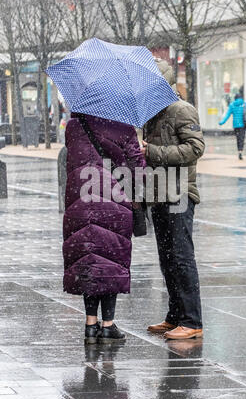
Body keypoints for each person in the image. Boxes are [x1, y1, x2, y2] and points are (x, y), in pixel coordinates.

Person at [63, 113, 145, 344]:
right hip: (113, 199)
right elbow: (136, 168)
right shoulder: (122, 125)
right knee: (110, 260)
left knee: (87, 259)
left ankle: (90, 324)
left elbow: (73, 158)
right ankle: (108, 325)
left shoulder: (73, 126)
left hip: (78, 198)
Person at [142, 59, 205, 341]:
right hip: (159, 195)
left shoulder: (182, 110)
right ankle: (175, 315)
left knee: (181, 257)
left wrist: (153, 151)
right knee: (166, 259)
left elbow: (194, 148)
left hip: (179, 194)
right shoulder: (151, 114)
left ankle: (192, 320)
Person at [219, 93, 246, 160]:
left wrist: (222, 122)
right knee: (242, 138)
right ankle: (241, 151)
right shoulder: (244, 104)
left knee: (238, 138)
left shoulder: (232, 105)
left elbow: (227, 115)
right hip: (243, 125)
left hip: (236, 125)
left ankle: (239, 151)